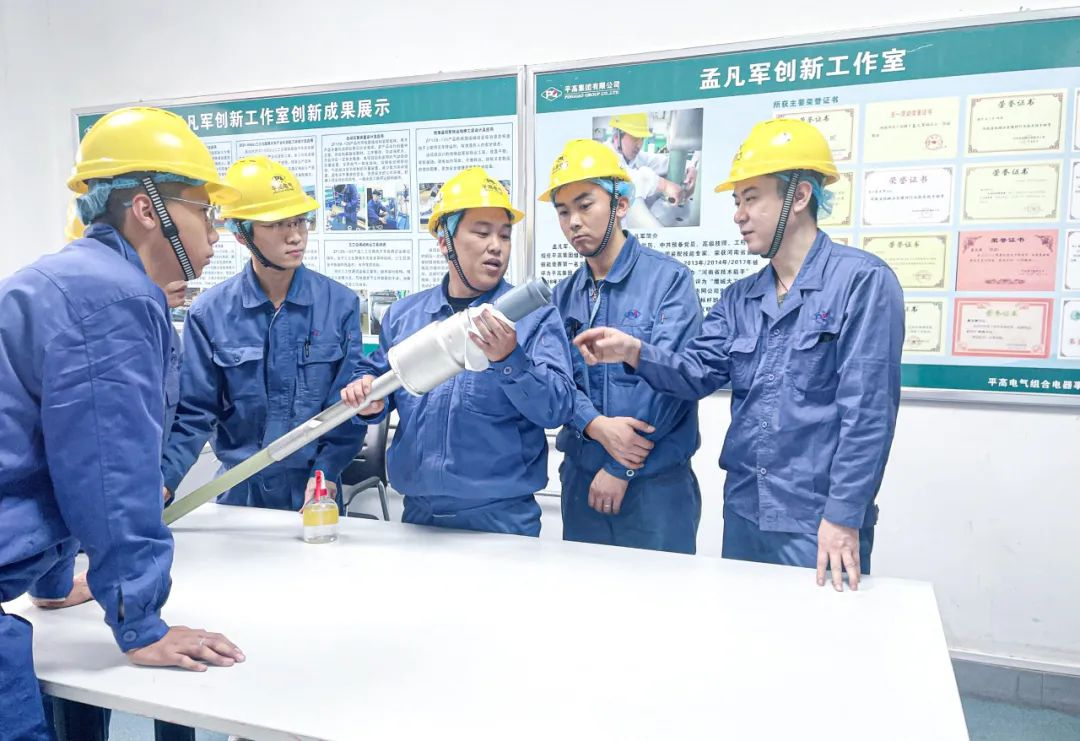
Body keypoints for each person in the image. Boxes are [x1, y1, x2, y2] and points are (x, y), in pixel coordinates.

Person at [0, 106, 246, 740]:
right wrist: (141, 623)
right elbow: (109, 472)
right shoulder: (115, 298)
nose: (215, 233)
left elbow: (43, 453)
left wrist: (55, 583)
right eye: (204, 210)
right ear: (146, 209)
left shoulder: (59, 281)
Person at [574, 118, 904, 590]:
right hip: (746, 512)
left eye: (752, 198)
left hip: (817, 522)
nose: (739, 215)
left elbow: (867, 414)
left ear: (799, 196)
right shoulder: (739, 299)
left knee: (820, 636)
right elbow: (695, 372)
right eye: (736, 201)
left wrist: (843, 516)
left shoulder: (862, 283)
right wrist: (635, 351)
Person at [340, 167, 574, 536]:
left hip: (502, 521)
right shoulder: (405, 316)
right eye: (482, 233)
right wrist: (368, 399)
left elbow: (557, 408)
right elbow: (377, 385)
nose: (496, 246)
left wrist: (509, 359)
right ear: (444, 241)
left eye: (505, 235)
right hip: (418, 516)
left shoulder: (533, 317)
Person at [162, 156, 366, 512]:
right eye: (277, 225)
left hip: (314, 493)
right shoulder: (210, 313)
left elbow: (346, 409)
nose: (295, 236)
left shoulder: (340, 305)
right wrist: (164, 481)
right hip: (240, 493)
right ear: (242, 234)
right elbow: (195, 411)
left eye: (300, 221)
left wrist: (326, 473)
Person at [542, 139, 703, 554]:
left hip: (655, 488)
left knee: (660, 592)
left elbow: (673, 384)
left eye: (585, 205)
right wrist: (594, 424)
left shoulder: (668, 281)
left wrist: (620, 468)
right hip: (582, 479)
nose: (574, 222)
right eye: (563, 212)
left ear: (621, 204)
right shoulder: (563, 296)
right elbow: (559, 382)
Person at [607, 113, 697, 203]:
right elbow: (627, 177)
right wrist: (664, 185)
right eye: (635, 138)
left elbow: (663, 162)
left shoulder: (638, 158)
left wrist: (690, 168)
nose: (639, 145)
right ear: (616, 137)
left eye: (642, 139)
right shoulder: (604, 155)